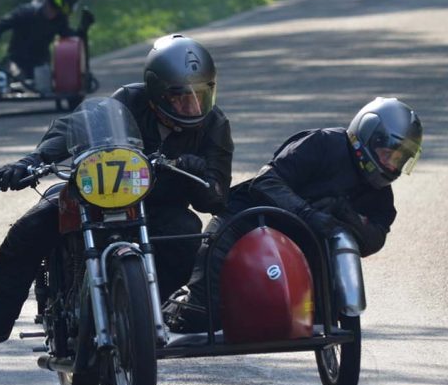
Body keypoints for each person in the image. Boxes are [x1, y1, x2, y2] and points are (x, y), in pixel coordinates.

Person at [0, 33, 234, 356]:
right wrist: (31, 161)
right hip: (98, 198)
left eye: (201, 95)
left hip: (158, 209)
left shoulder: (215, 124)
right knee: (29, 229)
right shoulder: (126, 102)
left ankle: (143, 311)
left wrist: (199, 175)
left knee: (186, 236)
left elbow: (215, 199)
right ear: (157, 91)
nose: (193, 106)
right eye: (181, 97)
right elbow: (74, 126)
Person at [165, 96, 423, 333]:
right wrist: (308, 213)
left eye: (400, 159)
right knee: (201, 314)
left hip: (305, 238)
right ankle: (178, 308)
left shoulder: (380, 192)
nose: (391, 165)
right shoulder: (322, 143)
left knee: (324, 313)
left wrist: (345, 213)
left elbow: (374, 239)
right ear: (368, 136)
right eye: (387, 153)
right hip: (249, 216)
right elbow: (266, 182)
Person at [0, 0, 95, 92]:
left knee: (43, 83)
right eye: (70, 0)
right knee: (17, 79)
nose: (72, 4)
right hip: (16, 61)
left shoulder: (60, 19)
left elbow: (69, 38)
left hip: (40, 63)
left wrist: (83, 30)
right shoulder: (26, 12)